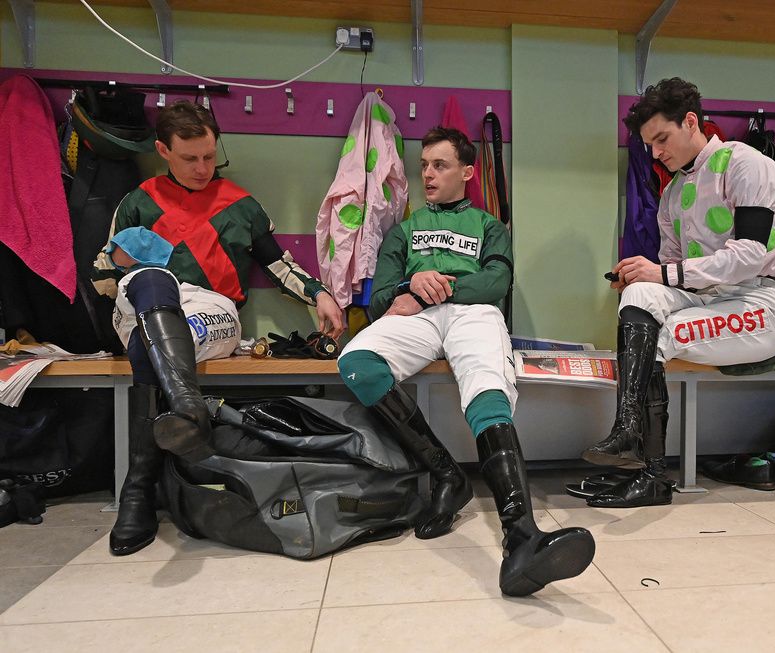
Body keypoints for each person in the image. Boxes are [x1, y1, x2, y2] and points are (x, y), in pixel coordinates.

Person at [337, 127, 595, 597]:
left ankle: (522, 537)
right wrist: (411, 289)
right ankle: (444, 473)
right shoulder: (404, 231)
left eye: (441, 165)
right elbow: (381, 302)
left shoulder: (490, 226)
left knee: (486, 387)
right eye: (425, 166)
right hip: (416, 314)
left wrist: (445, 286)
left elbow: (496, 283)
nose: (429, 174)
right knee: (357, 360)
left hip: (472, 312)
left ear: (468, 172)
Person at [94, 101, 345, 556]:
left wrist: (319, 293)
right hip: (143, 303)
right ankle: (187, 412)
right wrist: (116, 265)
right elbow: (102, 280)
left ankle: (138, 490)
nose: (202, 167)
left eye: (209, 156)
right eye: (189, 158)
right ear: (163, 151)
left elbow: (278, 264)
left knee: (151, 343)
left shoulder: (241, 205)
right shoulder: (136, 202)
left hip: (211, 314)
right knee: (153, 286)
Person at [581, 78, 775, 507]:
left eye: (662, 139)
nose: (657, 153)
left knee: (664, 333)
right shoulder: (673, 192)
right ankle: (627, 432)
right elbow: (670, 272)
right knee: (638, 297)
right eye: (650, 145)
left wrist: (664, 272)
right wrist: (644, 278)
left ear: (691, 121)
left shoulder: (747, 164)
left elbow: (751, 255)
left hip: (758, 303)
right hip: (706, 297)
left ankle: (651, 474)